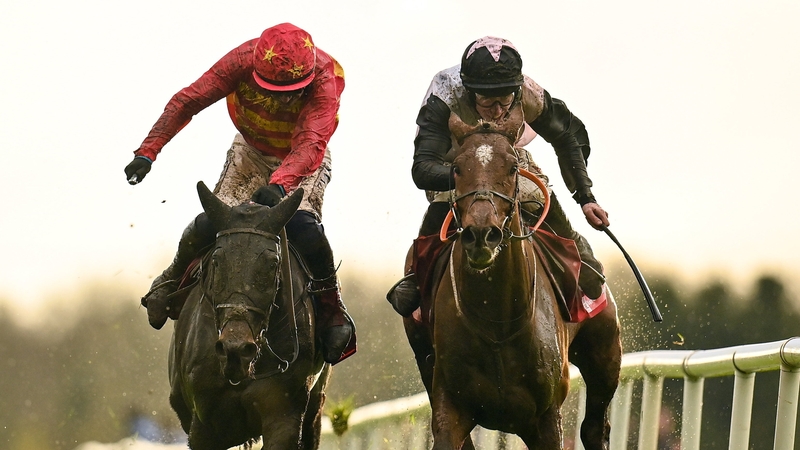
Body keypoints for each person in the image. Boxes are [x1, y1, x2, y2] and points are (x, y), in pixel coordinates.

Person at [124, 23, 355, 364]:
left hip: (303, 157)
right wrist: (148, 151)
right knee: (214, 222)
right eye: (275, 91)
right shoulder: (241, 61)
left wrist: (280, 183)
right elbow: (188, 100)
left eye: (292, 91)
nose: (283, 100)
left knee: (303, 228)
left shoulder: (326, 78)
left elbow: (310, 143)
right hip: (250, 151)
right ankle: (173, 278)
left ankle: (331, 307)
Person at [386, 36, 609, 316]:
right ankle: (418, 278)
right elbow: (422, 168)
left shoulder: (528, 92)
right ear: (468, 91)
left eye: (505, 100)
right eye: (487, 100)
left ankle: (579, 256)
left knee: (539, 197)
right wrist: (469, 177)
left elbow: (567, 136)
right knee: (442, 202)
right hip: (459, 161)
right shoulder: (443, 93)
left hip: (506, 157)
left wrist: (586, 198)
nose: (498, 109)